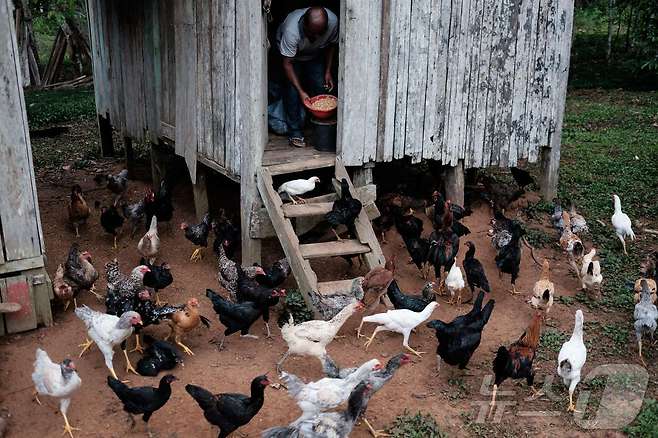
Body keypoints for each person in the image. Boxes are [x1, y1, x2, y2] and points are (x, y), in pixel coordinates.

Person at [276, 6, 338, 148]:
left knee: (321, 86)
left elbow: (331, 46)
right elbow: (287, 64)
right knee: (292, 93)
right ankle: (295, 132)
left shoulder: (333, 22)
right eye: (312, 33)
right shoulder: (291, 32)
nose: (316, 38)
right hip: (292, 57)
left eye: (320, 34)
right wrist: (301, 91)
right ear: (304, 24)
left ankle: (319, 129)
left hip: (314, 54)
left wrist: (328, 71)